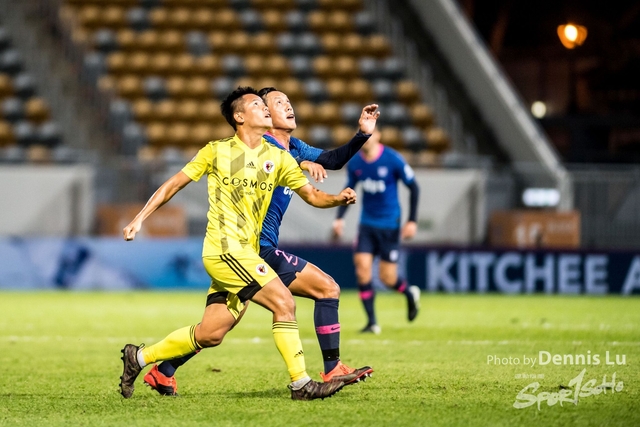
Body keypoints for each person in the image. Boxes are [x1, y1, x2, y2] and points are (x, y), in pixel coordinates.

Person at [119, 86, 358, 401]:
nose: (265, 108)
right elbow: (174, 184)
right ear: (239, 116)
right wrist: (139, 218)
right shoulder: (216, 151)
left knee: (211, 333)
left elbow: (313, 196)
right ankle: (302, 384)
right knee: (284, 303)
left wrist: (338, 199)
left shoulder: (278, 157)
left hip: (246, 253)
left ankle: (139, 358)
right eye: (258, 104)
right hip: (224, 251)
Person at [332, 130, 421, 334]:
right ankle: (372, 323)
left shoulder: (393, 159)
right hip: (367, 225)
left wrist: (412, 221)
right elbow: (349, 189)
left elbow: (414, 187)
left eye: (370, 135)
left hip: (390, 225)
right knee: (362, 269)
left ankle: (409, 293)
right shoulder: (356, 163)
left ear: (379, 136)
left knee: (387, 278)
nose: (366, 139)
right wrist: (339, 218)